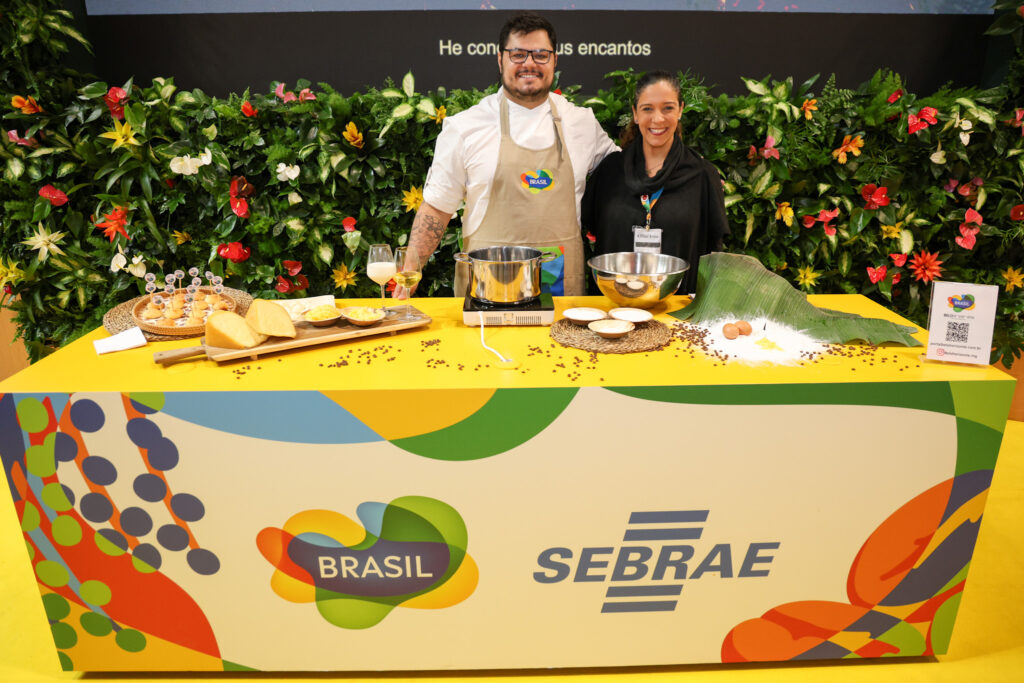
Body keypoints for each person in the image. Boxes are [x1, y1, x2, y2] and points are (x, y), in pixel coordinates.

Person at [395, 11, 618, 299]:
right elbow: (437, 208)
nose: (529, 63)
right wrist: (411, 271)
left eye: (540, 54)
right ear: (500, 59)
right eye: (518, 54)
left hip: (559, 288)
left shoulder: (582, 123)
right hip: (488, 287)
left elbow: (627, 174)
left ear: (555, 60)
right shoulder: (464, 127)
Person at [581, 70, 729, 295]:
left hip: (677, 312)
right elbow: (587, 227)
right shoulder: (610, 171)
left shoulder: (702, 176)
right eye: (647, 108)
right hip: (612, 310)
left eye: (667, 108)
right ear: (635, 114)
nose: (657, 119)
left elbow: (714, 254)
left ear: (680, 109)